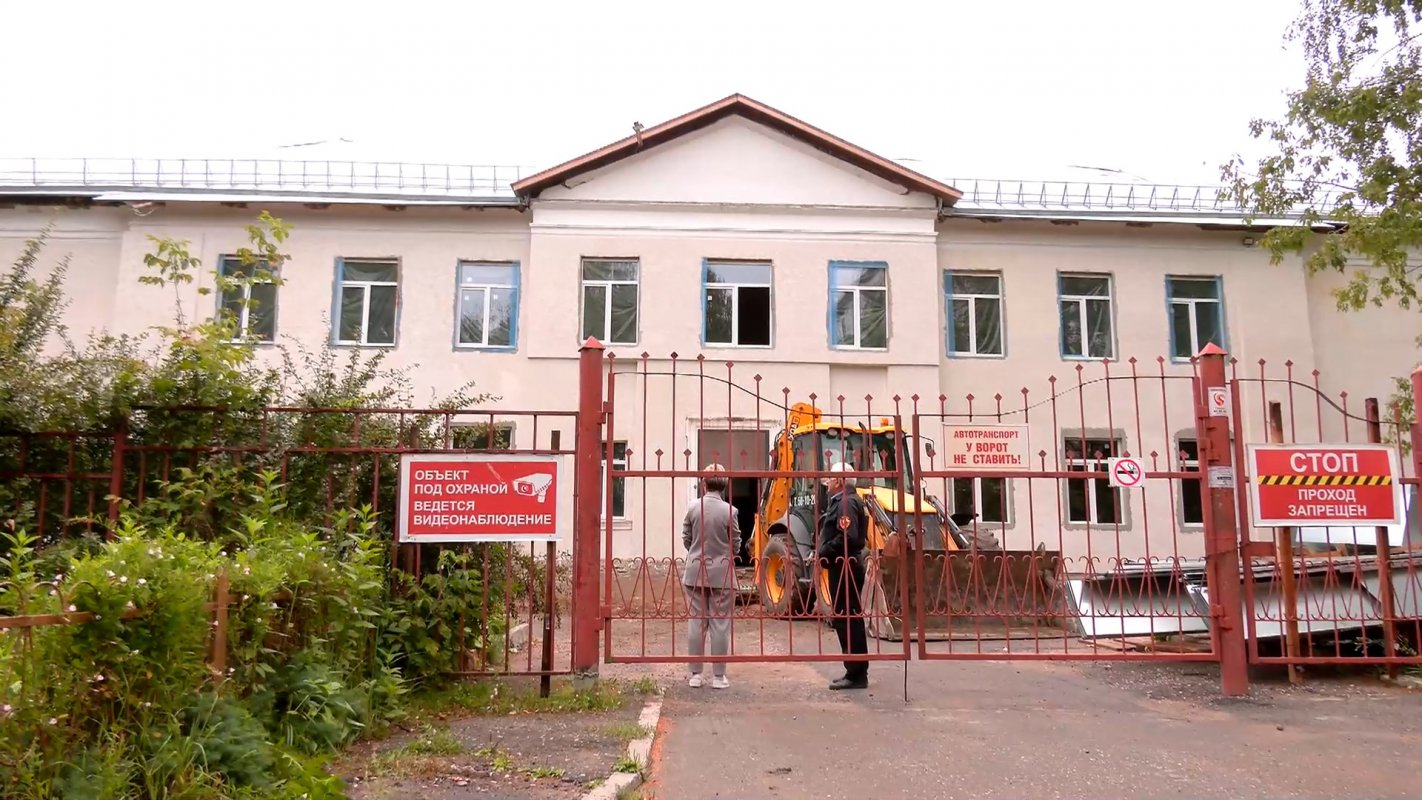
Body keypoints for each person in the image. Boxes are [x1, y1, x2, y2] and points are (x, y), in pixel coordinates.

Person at [681, 464, 739, 689]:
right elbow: (735, 542)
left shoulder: (693, 507)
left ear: (704, 483)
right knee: (720, 624)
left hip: (695, 571)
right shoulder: (730, 511)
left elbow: (687, 537)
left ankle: (695, 675)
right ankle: (718, 677)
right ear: (724, 485)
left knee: (696, 622)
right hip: (721, 574)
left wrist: (696, 552)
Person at [818, 462, 869, 690]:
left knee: (848, 618)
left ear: (839, 480)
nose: (827, 482)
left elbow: (847, 536)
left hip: (845, 566)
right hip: (844, 564)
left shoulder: (846, 503)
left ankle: (856, 673)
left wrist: (823, 551)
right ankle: (853, 669)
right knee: (847, 617)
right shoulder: (847, 501)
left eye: (830, 478)